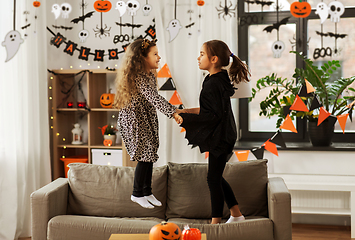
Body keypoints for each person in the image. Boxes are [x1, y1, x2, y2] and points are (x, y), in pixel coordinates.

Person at [179, 40, 250, 224]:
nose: (198, 57)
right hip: (225, 134)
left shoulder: (213, 83)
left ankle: (215, 223)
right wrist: (185, 111)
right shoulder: (216, 78)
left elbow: (212, 116)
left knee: (212, 179)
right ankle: (236, 215)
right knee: (215, 177)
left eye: (201, 54)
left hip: (221, 137)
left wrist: (185, 119)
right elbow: (209, 110)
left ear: (214, 59)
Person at [113, 38, 182, 209]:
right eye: (155, 54)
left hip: (145, 117)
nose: (159, 57)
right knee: (145, 154)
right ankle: (137, 193)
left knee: (150, 152)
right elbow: (154, 98)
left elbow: (153, 99)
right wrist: (173, 112)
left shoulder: (150, 74)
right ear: (142, 57)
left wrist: (173, 110)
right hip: (134, 119)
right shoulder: (139, 76)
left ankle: (147, 191)